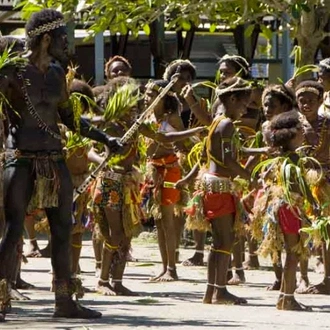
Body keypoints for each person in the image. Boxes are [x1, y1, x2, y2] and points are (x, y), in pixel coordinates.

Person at [0, 9, 121, 321]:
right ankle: (0, 299)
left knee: (63, 228)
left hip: (54, 160)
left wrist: (105, 138)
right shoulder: (10, 72)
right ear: (47, 38)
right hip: (21, 160)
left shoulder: (57, 73)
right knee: (13, 230)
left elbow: (69, 118)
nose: (68, 44)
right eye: (64, 37)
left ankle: (64, 301)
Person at [184, 77, 252, 304]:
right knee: (225, 240)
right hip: (219, 185)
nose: (245, 110)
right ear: (232, 99)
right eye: (243, 104)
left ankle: (211, 291)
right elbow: (228, 159)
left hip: (211, 184)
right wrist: (248, 176)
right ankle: (220, 291)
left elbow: (230, 152)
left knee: (219, 241)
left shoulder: (216, 122)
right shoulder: (226, 124)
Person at [140, 79, 205, 282]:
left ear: (163, 98)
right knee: (158, 221)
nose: (146, 98)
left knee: (167, 220)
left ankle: (172, 268)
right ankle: (164, 266)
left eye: (151, 94)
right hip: (153, 170)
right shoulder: (146, 117)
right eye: (146, 94)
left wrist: (194, 133)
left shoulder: (173, 118)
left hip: (169, 169)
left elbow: (177, 141)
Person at [255, 110, 317, 311]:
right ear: (290, 135)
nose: (303, 133)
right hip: (290, 208)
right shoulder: (292, 159)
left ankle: (283, 296)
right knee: (293, 254)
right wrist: (313, 204)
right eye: (300, 130)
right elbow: (300, 186)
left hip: (280, 207)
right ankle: (288, 298)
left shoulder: (280, 157)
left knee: (290, 253)